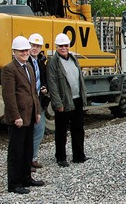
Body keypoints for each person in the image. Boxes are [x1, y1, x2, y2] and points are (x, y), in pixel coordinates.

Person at [1, 36, 45, 194]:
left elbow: (34, 92)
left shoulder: (28, 66)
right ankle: (14, 184)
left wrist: (37, 111)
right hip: (18, 117)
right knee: (16, 151)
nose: (25, 53)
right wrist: (15, 116)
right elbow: (9, 96)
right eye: (22, 51)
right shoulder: (9, 69)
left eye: (26, 50)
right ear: (14, 52)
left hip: (30, 115)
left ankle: (26, 177)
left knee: (27, 149)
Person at [47, 33, 90, 168]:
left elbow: (79, 79)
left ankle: (79, 156)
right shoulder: (53, 62)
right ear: (56, 47)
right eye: (61, 46)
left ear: (69, 46)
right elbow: (52, 84)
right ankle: (61, 157)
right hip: (64, 101)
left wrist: (83, 96)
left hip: (76, 99)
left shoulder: (73, 59)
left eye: (65, 45)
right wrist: (57, 103)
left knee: (78, 129)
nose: (63, 48)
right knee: (61, 131)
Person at [27, 33, 48, 171]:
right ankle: (27, 161)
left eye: (37, 46)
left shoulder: (39, 62)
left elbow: (42, 78)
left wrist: (44, 88)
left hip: (38, 100)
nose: (34, 48)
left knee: (39, 129)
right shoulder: (25, 62)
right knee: (29, 132)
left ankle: (32, 158)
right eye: (32, 45)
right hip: (28, 102)